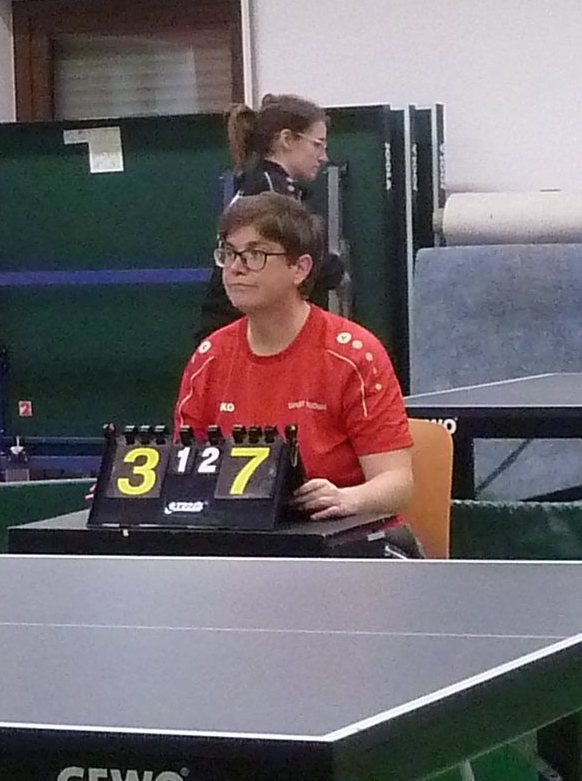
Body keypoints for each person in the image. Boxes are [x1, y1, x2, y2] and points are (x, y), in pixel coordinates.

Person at [175, 192, 411, 530]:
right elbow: (185, 472)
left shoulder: (354, 355)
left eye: (255, 254)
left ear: (300, 269)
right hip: (243, 537)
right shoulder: (209, 357)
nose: (236, 268)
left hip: (343, 537)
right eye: (228, 253)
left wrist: (347, 499)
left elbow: (398, 484)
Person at [199, 93, 340, 328]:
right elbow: (292, 265)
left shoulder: (269, 185)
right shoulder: (269, 193)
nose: (323, 156)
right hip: (241, 327)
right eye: (317, 144)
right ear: (287, 139)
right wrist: (328, 266)